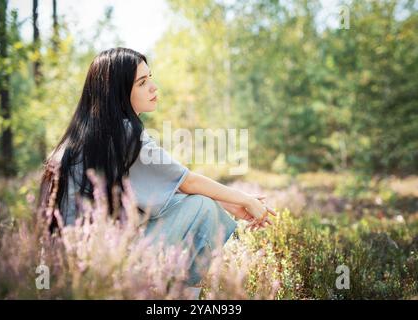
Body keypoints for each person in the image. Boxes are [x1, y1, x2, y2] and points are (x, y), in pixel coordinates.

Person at [38, 47, 276, 297]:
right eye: (142, 82)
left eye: (150, 78)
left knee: (201, 204)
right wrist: (246, 200)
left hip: (63, 275)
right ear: (117, 92)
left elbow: (166, 192)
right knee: (204, 208)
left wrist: (229, 204)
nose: (153, 87)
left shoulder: (87, 136)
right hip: (96, 271)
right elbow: (188, 182)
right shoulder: (124, 134)